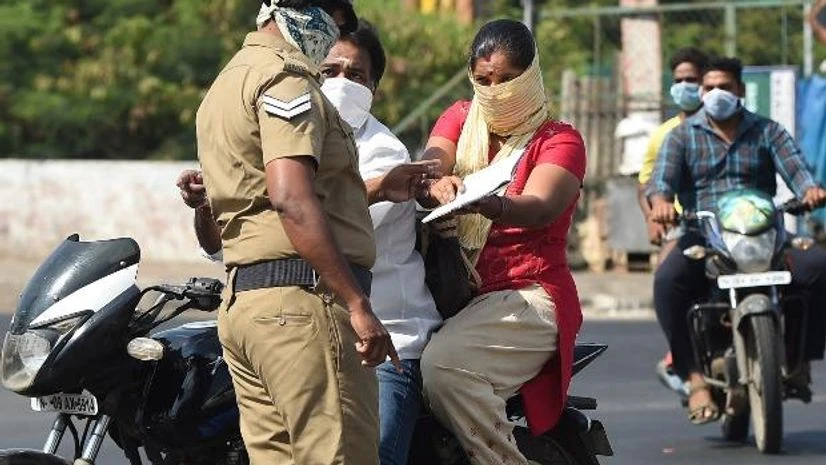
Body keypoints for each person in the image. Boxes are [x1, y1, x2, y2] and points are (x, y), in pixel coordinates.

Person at [183, 18, 442, 465]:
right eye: (332, 70)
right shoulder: (286, 87)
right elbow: (283, 207)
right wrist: (357, 304)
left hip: (373, 333)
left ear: (374, 86)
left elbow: (308, 211)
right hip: (309, 309)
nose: (341, 81)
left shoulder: (377, 145)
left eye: (356, 74)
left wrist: (358, 305)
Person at [417, 19, 586, 465]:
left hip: (528, 294)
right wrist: (435, 183)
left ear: (530, 75)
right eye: (484, 80)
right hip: (454, 291)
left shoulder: (559, 138)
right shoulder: (459, 117)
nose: (495, 90)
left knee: (443, 370)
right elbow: (431, 164)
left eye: (508, 79)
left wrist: (495, 206)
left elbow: (542, 205)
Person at [648, 56, 826, 425]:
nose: (716, 94)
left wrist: (809, 190)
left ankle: (801, 360)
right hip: (706, 234)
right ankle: (694, 378)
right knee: (667, 283)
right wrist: (662, 202)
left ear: (740, 91)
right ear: (701, 91)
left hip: (764, 233)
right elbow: (660, 182)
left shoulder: (767, 131)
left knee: (817, 268)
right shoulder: (682, 137)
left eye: (724, 87)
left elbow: (797, 170)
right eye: (709, 88)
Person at [636, 47, 709, 399]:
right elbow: (645, 184)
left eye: (691, 80)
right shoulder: (663, 134)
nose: (684, 87)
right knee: (667, 279)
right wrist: (653, 215)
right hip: (682, 225)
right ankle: (680, 359)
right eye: (678, 80)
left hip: (729, 225)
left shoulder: (733, 128)